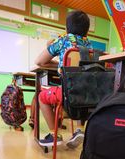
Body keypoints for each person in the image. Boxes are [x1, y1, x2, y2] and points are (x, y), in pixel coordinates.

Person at [34, 10, 92, 148]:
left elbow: (39, 62)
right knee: (82, 90)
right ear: (87, 31)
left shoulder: (63, 40)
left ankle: (54, 135)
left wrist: (50, 49)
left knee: (42, 97)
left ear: (67, 28)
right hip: (87, 94)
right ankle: (80, 130)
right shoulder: (89, 45)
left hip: (68, 94)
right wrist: (62, 62)